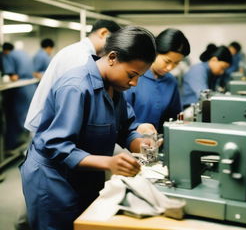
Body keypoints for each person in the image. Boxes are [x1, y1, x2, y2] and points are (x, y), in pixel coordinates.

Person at [20, 26, 157, 230]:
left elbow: (126, 127)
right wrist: (110, 162)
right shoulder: (76, 87)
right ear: (112, 57)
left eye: (139, 76)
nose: (134, 82)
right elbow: (57, 145)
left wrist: (140, 143)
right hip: (53, 178)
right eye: (132, 74)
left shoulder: (115, 86)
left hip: (86, 173)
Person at [25, 19, 121, 133]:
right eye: (115, 43)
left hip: (54, 124)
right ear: (104, 33)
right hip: (51, 126)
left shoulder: (80, 52)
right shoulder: (80, 57)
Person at [124, 28, 190, 133]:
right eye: (167, 61)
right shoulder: (133, 76)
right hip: (128, 141)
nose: (170, 68)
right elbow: (120, 117)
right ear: (155, 52)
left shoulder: (171, 81)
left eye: (176, 63)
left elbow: (174, 117)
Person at [1, 43, 36, 150]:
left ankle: (10, 146)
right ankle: (25, 145)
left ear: (5, 50)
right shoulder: (23, 53)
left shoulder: (8, 55)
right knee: (27, 119)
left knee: (14, 118)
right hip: (30, 88)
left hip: (20, 91)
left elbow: (14, 77)